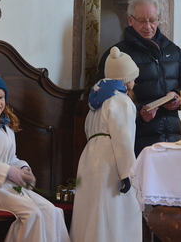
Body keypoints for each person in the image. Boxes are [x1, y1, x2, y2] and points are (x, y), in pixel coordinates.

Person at [0, 72, 70, 242]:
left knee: (52, 210)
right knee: (32, 214)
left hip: (4, 184)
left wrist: (22, 169)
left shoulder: (4, 124)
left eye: (1, 97)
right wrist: (8, 172)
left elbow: (10, 157)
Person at [98, 0, 181, 157]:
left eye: (152, 20)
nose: (148, 26)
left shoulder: (174, 51)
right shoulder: (118, 56)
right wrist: (139, 112)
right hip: (138, 141)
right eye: (142, 21)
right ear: (130, 20)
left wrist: (180, 98)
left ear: (158, 20)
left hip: (175, 139)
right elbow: (107, 100)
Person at [70, 47, 142, 242]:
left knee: (93, 214)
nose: (135, 82)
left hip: (90, 159)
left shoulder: (97, 101)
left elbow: (88, 131)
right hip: (111, 162)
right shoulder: (122, 100)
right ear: (126, 79)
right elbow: (123, 138)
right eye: (133, 77)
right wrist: (127, 172)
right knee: (113, 214)